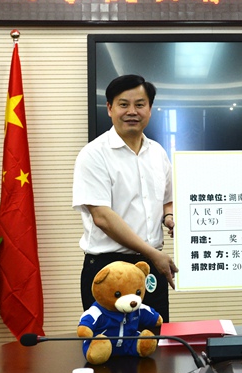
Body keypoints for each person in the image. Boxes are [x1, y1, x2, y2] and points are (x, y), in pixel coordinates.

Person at [72, 74, 178, 321]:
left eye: (140, 104)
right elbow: (102, 217)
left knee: (154, 338)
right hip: (109, 270)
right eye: (123, 104)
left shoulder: (158, 153)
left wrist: (169, 216)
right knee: (110, 342)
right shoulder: (93, 154)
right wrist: (153, 254)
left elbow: (167, 199)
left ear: (149, 109)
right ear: (110, 108)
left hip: (151, 270)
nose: (132, 111)